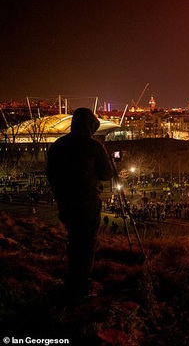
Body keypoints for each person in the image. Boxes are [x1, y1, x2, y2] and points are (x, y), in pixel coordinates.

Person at [47, 107, 113, 302]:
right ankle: (80, 284)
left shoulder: (59, 145)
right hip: (87, 202)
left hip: (66, 202)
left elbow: (51, 173)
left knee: (75, 239)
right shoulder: (93, 146)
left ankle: (73, 278)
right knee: (86, 242)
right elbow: (107, 174)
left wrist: (61, 194)